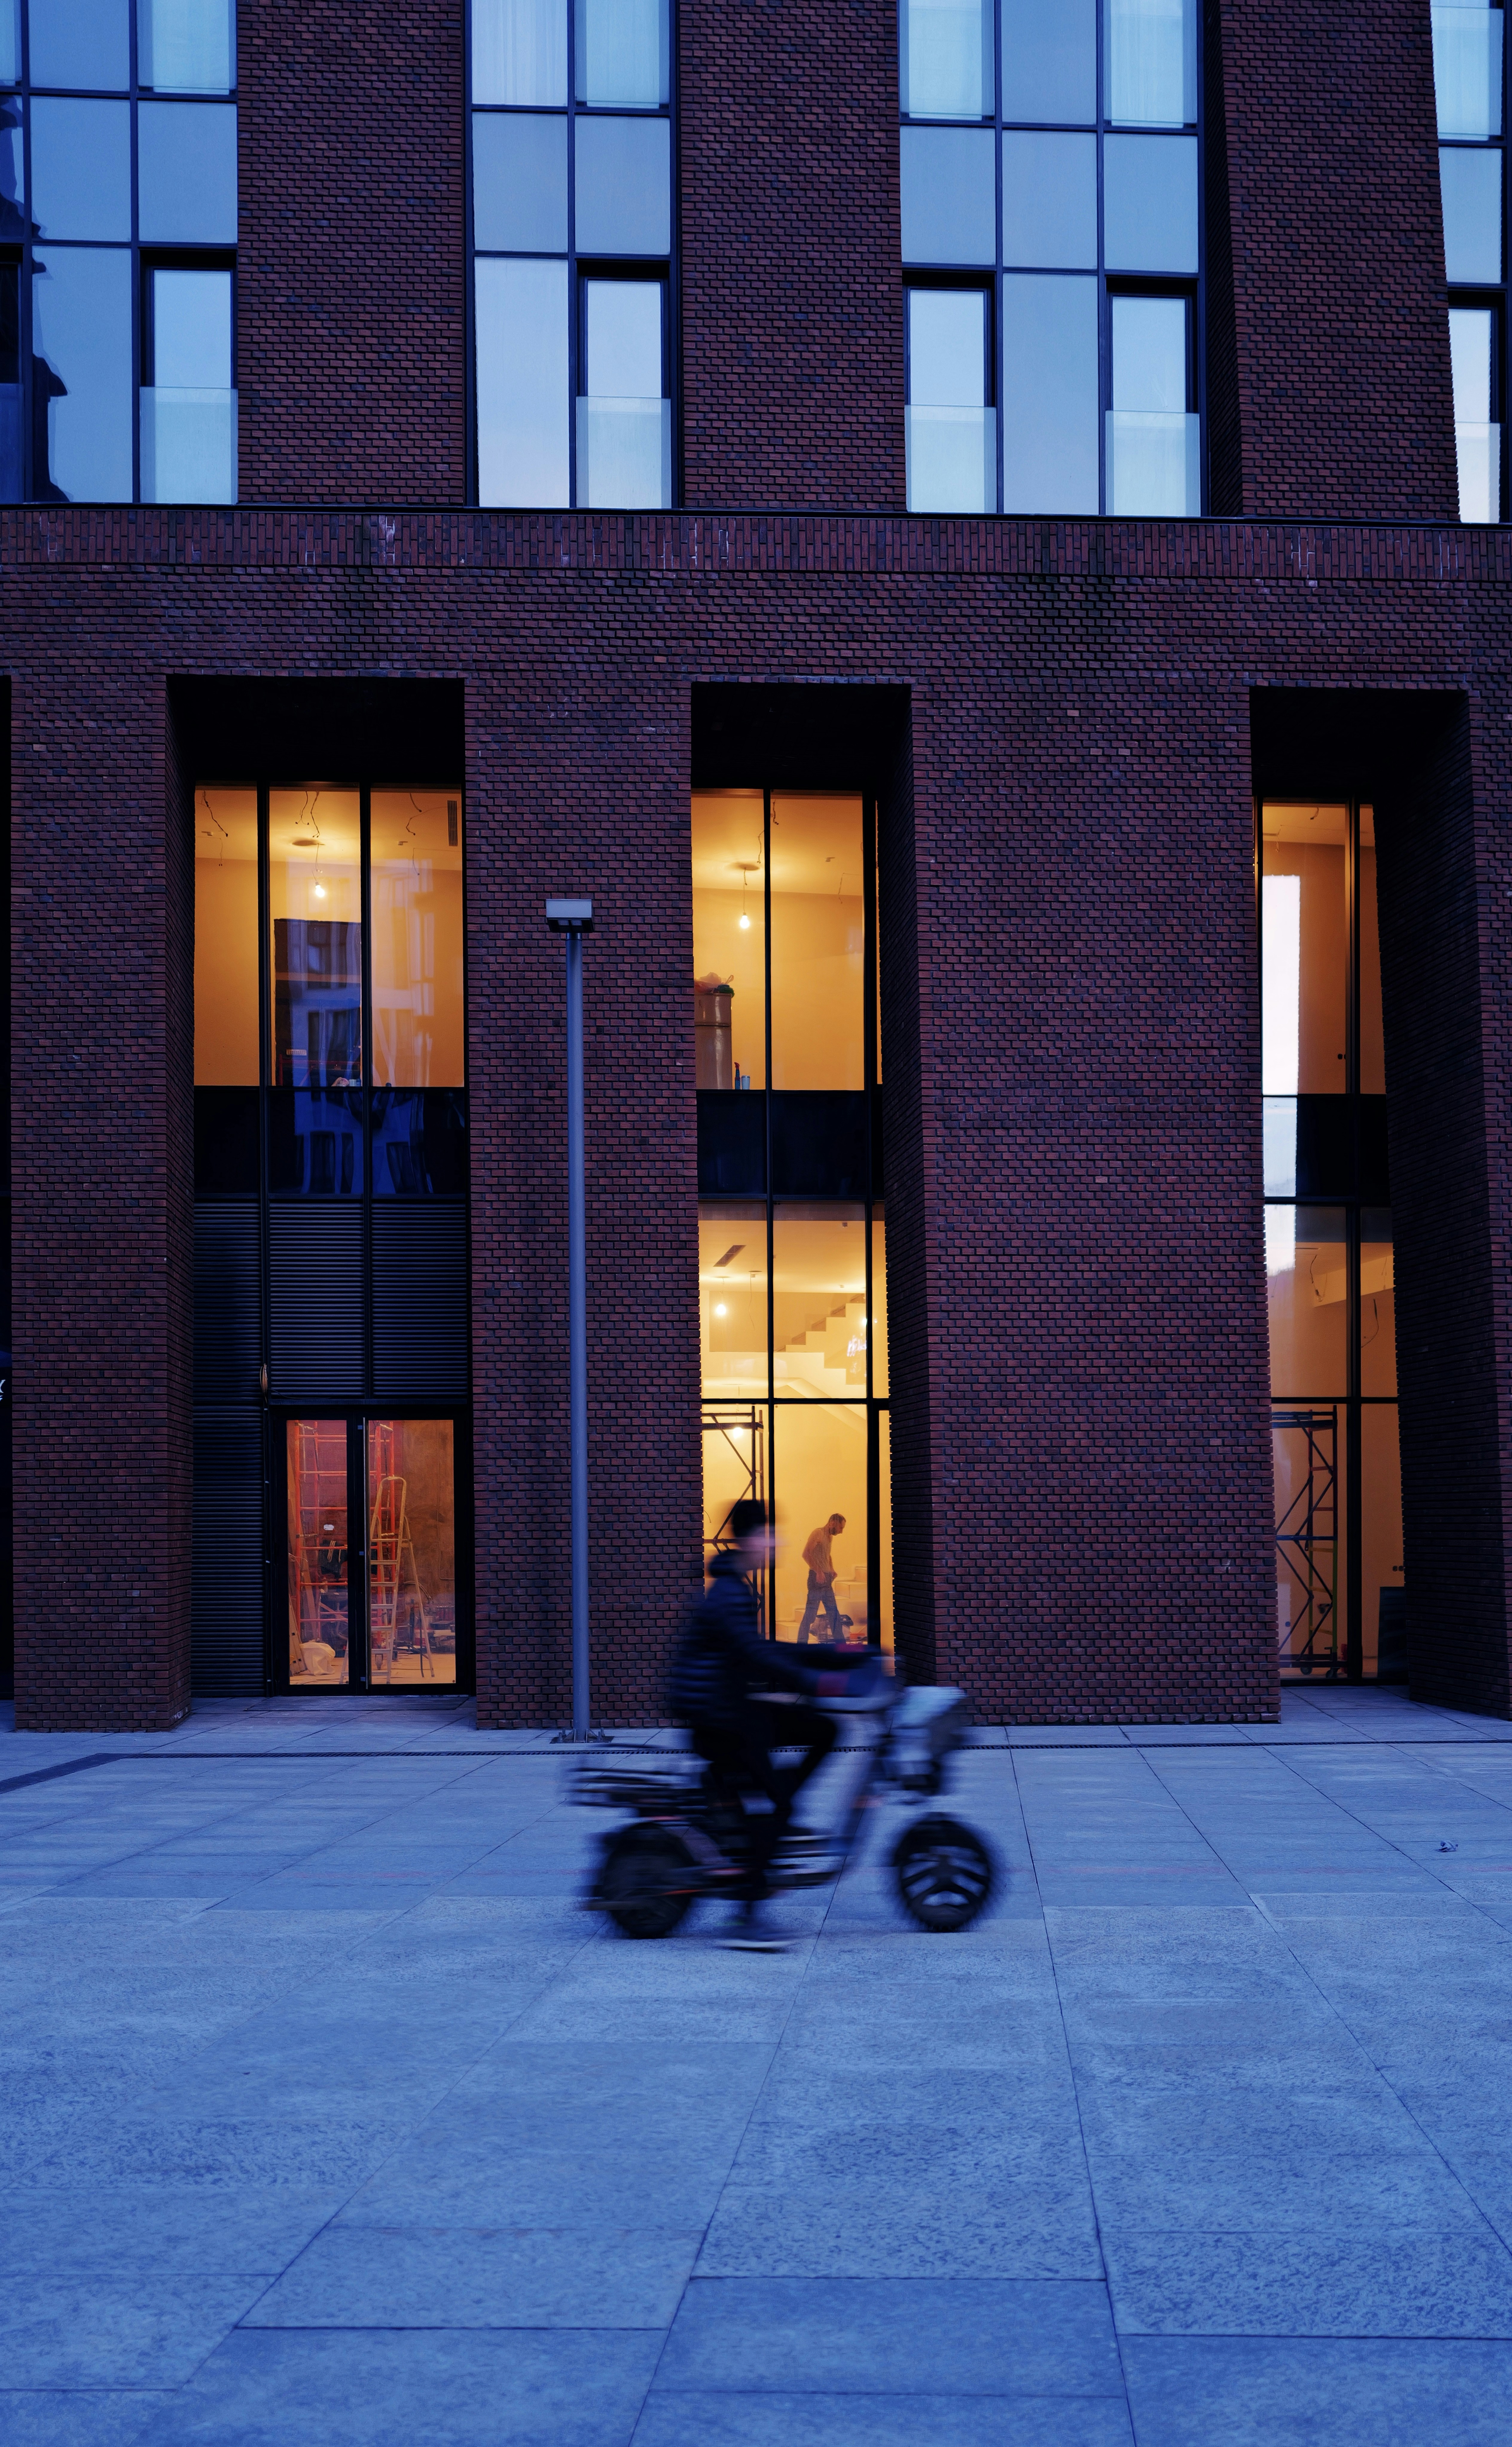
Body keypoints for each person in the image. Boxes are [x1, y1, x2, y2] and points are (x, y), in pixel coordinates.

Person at [669, 1498, 873, 1951]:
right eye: (769, 1533)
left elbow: (764, 1646)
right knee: (779, 1806)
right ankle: (747, 1916)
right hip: (719, 1718)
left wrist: (837, 1654)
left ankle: (774, 1807)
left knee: (824, 1730)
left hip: (734, 1706)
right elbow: (757, 1655)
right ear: (751, 1539)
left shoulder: (734, 1586)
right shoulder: (727, 1592)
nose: (776, 1540)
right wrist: (820, 1679)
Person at [797, 1513, 846, 1643]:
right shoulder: (818, 1533)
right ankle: (801, 1644)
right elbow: (806, 1554)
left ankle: (843, 1648)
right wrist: (818, 1571)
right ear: (832, 1523)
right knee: (810, 1615)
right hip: (816, 1580)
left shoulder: (830, 1537)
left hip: (826, 1580)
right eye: (841, 1528)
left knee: (834, 1615)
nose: (841, 1532)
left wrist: (832, 1569)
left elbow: (827, 1556)